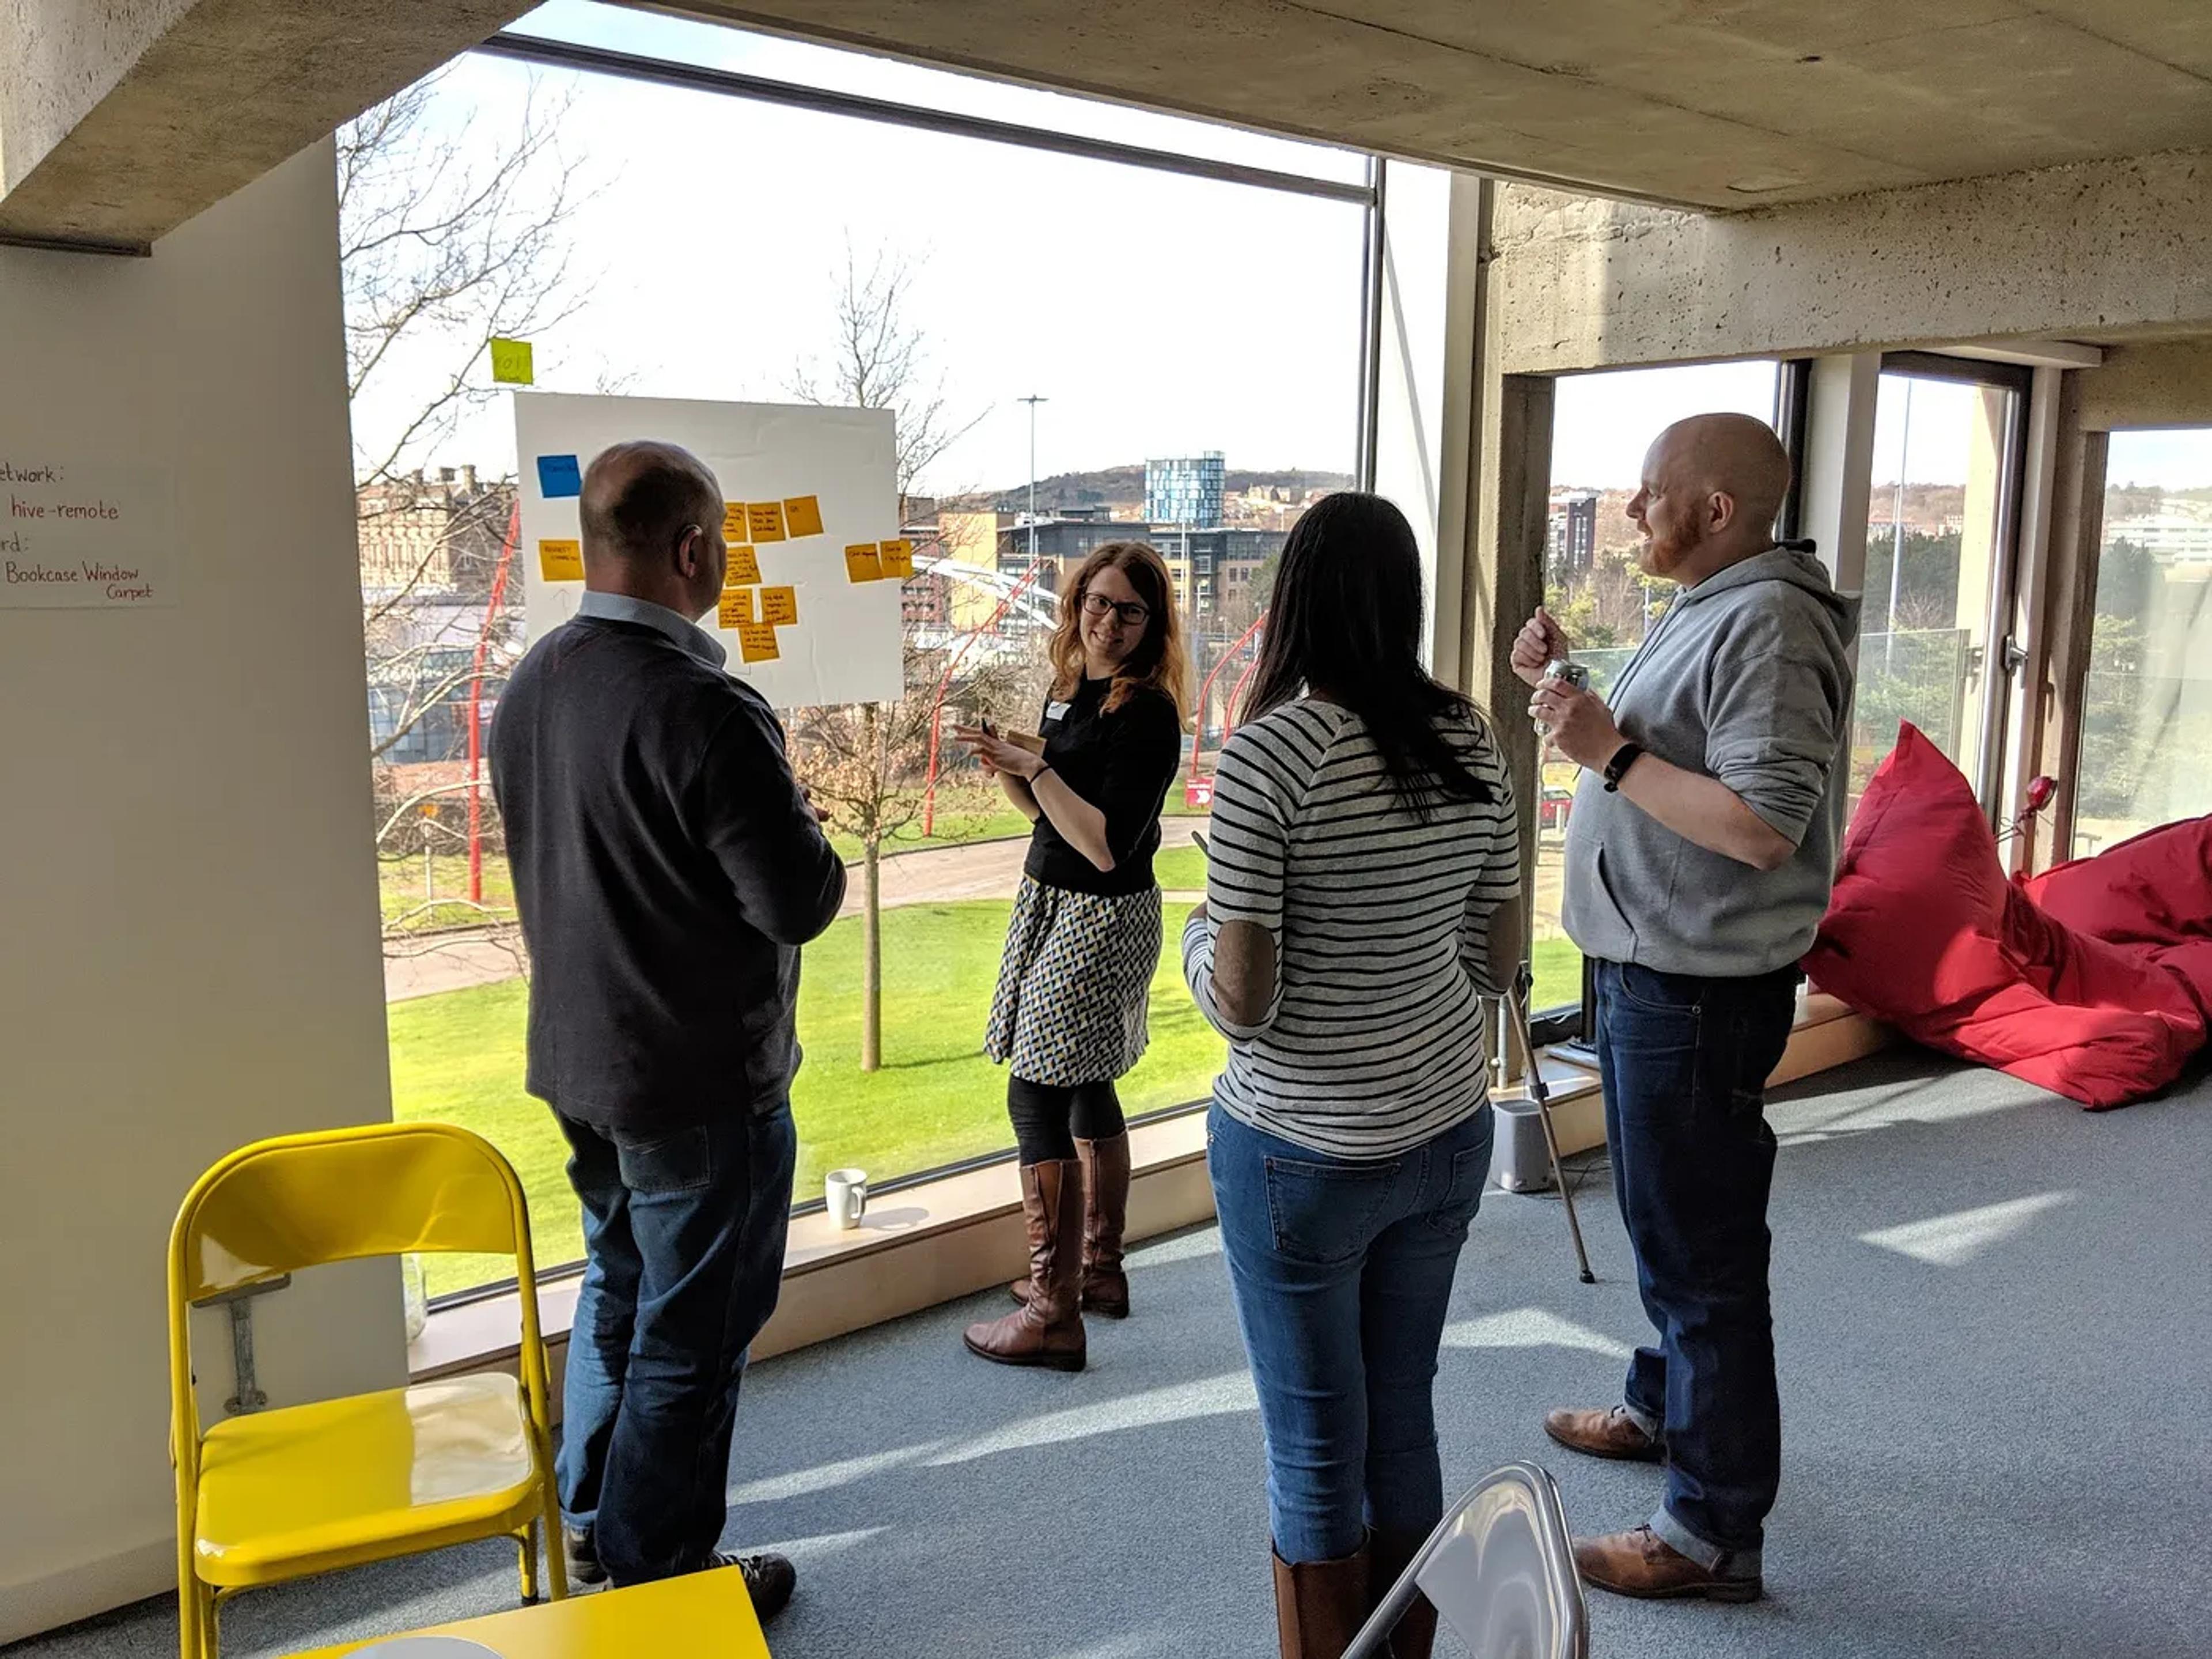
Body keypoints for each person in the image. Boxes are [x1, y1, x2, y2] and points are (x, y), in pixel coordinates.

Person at [489, 440, 846, 1622]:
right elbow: (798, 899)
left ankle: (593, 1520)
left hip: (581, 1069)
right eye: (725, 539)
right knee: (694, 1341)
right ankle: (661, 1585)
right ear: (694, 549)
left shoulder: (534, 679)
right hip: (698, 1085)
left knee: (618, 1284)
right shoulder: (705, 705)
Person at [1518, 412, 1856, 1605]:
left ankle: (1710, 1536)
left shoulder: (1766, 621)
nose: (1633, 512)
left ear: (1718, 509)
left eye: (1651, 493)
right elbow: (1679, 758)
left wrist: (1603, 753)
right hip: (1655, 973)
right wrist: (1569, 700)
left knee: (1700, 1254)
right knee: (1672, 1230)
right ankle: (1666, 1412)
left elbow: (1759, 827)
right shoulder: (1720, 601)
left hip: (1697, 993)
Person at [1185, 493, 1522, 1659]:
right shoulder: (1474, 735)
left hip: (1301, 1155)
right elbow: (1501, 961)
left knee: (1316, 1441)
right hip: (1444, 1130)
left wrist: (1199, 932)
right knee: (1402, 1419)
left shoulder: (1272, 752)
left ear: (1295, 601)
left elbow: (1243, 1003)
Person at [952, 541, 1188, 1372]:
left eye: (1128, 609)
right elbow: (1045, 814)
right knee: (1086, 1081)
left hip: (1100, 912)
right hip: (1050, 900)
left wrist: (1040, 766)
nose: (1107, 620)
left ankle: (1054, 1310)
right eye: (1096, 601)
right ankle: (1099, 1272)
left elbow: (1101, 842)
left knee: (1036, 1091)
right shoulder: (1071, 691)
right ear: (1075, 602)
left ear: (1153, 623)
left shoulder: (1149, 713)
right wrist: (1011, 768)